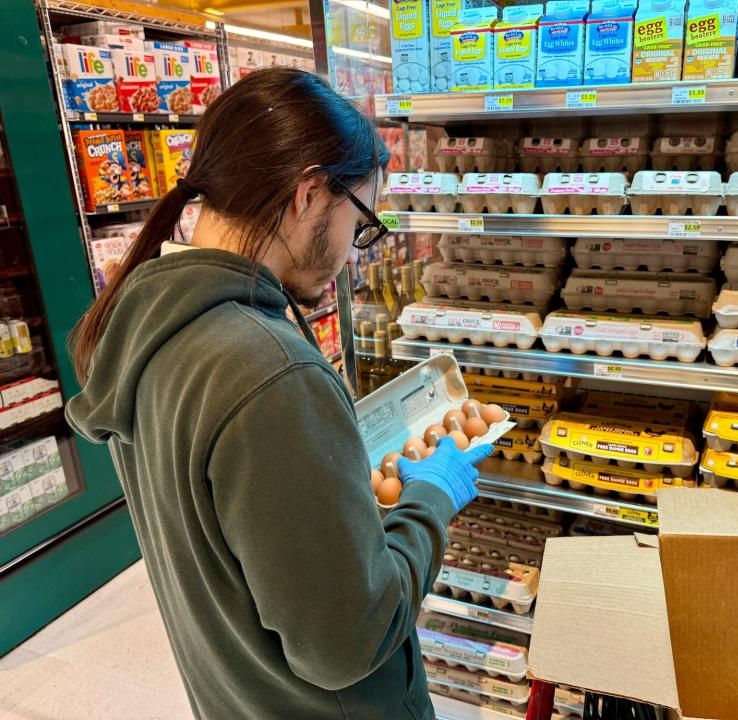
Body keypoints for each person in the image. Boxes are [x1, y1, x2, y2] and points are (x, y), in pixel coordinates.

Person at [66, 67, 491, 720]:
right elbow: (349, 643)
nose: (354, 253)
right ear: (310, 194)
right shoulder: (266, 369)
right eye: (362, 221)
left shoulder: (142, 322)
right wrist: (431, 498)